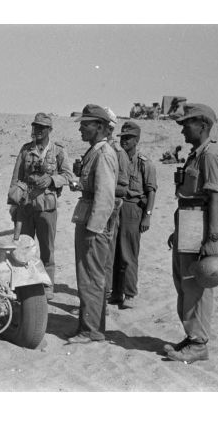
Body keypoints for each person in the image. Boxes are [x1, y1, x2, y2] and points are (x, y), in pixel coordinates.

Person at [165, 104, 218, 363]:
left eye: (186, 124)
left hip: (199, 229)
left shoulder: (210, 155)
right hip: (187, 225)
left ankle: (199, 343)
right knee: (184, 285)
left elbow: (214, 198)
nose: (182, 130)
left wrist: (211, 238)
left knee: (197, 287)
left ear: (202, 125)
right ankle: (192, 337)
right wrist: (178, 231)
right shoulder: (195, 155)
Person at [67, 105, 118, 343]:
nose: (80, 127)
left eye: (85, 124)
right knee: (87, 276)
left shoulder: (104, 154)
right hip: (88, 222)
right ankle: (88, 327)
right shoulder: (95, 151)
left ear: (99, 126)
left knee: (91, 278)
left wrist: (93, 229)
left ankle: (92, 330)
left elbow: (105, 198)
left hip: (94, 226)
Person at [8, 112, 72, 301]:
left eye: (41, 128)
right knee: (23, 248)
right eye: (35, 127)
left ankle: (47, 285)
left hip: (47, 208)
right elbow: (16, 177)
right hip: (26, 207)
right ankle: (23, 286)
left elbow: (68, 175)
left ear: (49, 130)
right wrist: (13, 204)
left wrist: (52, 179)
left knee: (47, 249)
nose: (36, 130)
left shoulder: (58, 150)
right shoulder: (26, 150)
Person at [110, 120, 157, 308]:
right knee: (114, 253)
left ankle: (129, 293)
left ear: (136, 140)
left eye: (128, 138)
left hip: (133, 209)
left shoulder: (145, 163)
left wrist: (148, 215)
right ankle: (116, 292)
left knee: (129, 253)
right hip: (117, 207)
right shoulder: (116, 158)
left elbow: (151, 191)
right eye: (122, 137)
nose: (124, 141)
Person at [102, 108, 130, 310]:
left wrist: (103, 188)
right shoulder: (101, 150)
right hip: (99, 208)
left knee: (108, 253)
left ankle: (106, 291)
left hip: (110, 209)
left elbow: (123, 186)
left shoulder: (118, 154)